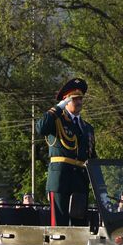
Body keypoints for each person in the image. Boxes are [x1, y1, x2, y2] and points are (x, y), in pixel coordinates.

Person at [40, 79, 97, 226]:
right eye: (74, 99)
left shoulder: (87, 128)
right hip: (60, 179)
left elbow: (92, 156)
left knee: (80, 224)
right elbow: (40, 128)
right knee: (60, 223)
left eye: (80, 98)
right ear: (66, 101)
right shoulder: (56, 120)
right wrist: (58, 108)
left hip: (80, 180)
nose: (78, 102)